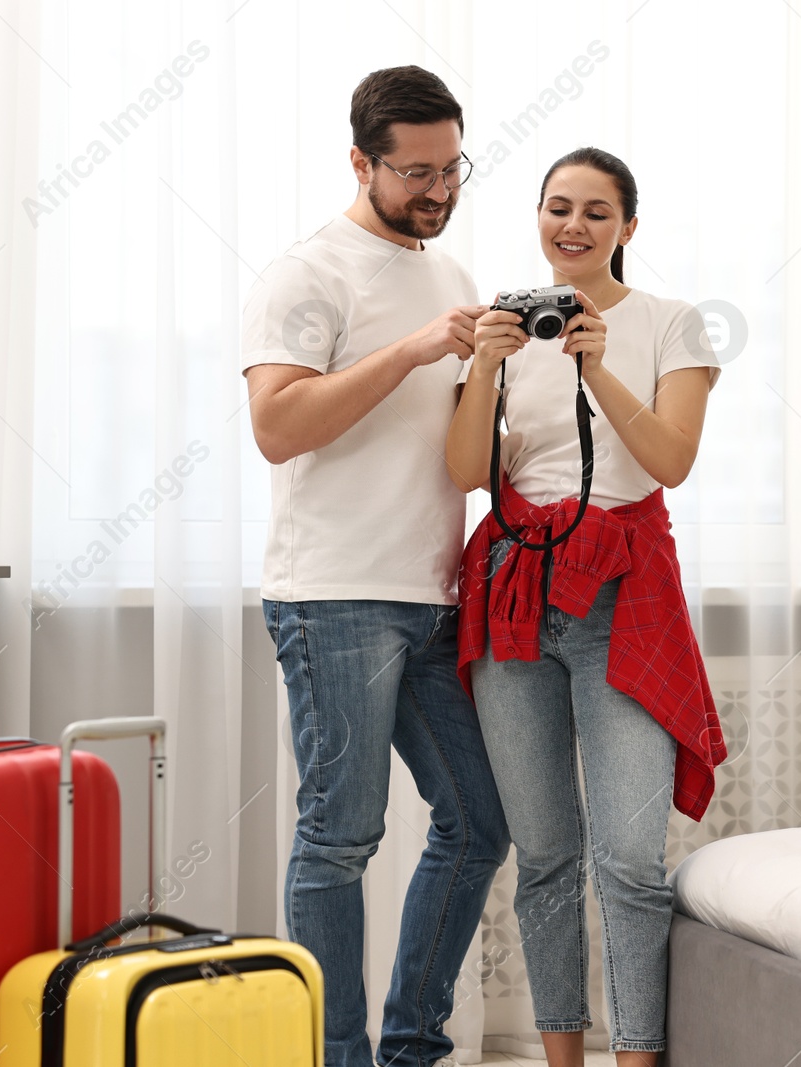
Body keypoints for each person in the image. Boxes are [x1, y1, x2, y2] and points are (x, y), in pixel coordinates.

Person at [241, 65, 509, 1067]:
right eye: (416, 173)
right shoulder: (306, 273)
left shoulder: (449, 276)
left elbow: (458, 446)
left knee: (480, 820)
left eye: (452, 169)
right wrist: (406, 353)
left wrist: (501, 372)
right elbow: (277, 426)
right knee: (340, 835)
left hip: (435, 595)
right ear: (361, 161)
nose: (438, 191)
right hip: (334, 595)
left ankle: (409, 1047)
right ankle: (335, 1055)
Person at [444, 147, 727, 1067]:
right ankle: (563, 1059)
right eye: (557, 207)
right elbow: (462, 474)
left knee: (632, 861)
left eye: (596, 212)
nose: (573, 225)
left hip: (623, 598)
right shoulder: (506, 327)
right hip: (516, 595)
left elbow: (670, 460)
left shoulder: (669, 324)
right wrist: (485, 366)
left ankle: (635, 1056)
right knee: (547, 856)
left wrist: (597, 366)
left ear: (628, 228)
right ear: (536, 216)